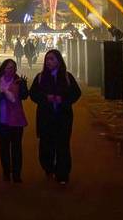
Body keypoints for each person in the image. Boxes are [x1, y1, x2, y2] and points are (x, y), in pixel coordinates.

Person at [29, 49, 82, 185]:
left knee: (63, 145)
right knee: (46, 145)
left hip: (63, 117)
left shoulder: (66, 77)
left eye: (52, 59)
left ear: (59, 61)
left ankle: (62, 174)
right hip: (45, 117)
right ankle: (48, 167)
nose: (49, 62)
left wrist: (62, 99)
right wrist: (46, 98)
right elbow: (33, 94)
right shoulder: (40, 77)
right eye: (47, 59)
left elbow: (76, 93)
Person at [0, 58, 29, 182]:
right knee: (4, 147)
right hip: (2, 119)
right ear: (3, 68)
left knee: (16, 148)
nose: (10, 70)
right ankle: (6, 172)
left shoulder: (18, 82)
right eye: (8, 67)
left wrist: (24, 86)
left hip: (16, 119)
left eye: (13, 68)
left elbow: (25, 96)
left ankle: (16, 173)